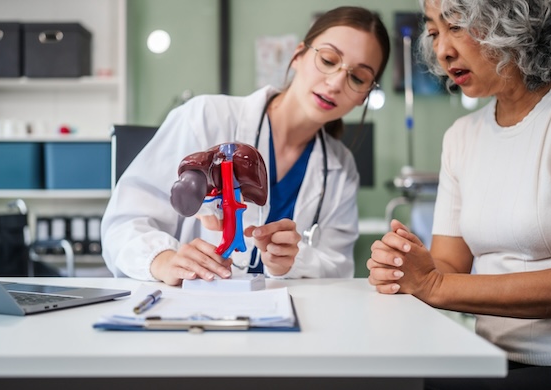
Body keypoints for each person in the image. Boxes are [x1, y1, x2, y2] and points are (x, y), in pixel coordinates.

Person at [101, 6, 390, 285]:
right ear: (298, 55)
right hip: (193, 311)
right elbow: (124, 222)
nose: (336, 82)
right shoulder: (206, 117)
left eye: (357, 77)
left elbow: (336, 265)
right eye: (328, 60)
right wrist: (162, 259)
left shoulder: (342, 168)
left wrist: (291, 263)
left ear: (364, 96)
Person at [367, 0, 551, 390]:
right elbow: (450, 262)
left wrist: (433, 285)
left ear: (513, 22)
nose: (441, 50)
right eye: (434, 32)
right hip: (489, 356)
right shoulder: (461, 137)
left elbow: (440, 282)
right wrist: (403, 265)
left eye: (456, 26)